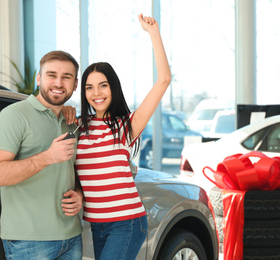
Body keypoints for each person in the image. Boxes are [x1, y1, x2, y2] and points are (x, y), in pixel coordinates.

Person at [75, 14, 171, 260]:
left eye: (103, 85)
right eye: (89, 87)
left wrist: (154, 34)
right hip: (96, 224)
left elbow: (163, 80)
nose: (96, 93)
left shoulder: (125, 125)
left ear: (113, 88)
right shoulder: (77, 127)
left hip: (126, 222)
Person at [0, 50, 84, 260]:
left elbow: (72, 171)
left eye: (66, 77)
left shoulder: (71, 121)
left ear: (75, 84)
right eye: (51, 75)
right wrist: (48, 157)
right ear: (39, 78)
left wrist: (79, 193)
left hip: (72, 236)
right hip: (28, 242)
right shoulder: (14, 115)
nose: (58, 83)